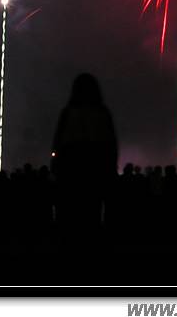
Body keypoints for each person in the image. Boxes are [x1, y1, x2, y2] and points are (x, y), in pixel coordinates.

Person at [52, 73, 118, 236]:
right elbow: (111, 145)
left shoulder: (68, 113)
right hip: (95, 169)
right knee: (92, 214)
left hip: (71, 170)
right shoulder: (102, 113)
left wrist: (57, 168)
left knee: (70, 216)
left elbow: (58, 144)